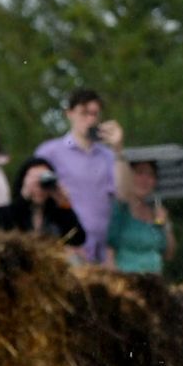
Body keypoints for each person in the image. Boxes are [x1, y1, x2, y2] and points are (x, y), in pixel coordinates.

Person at [35, 87, 126, 263]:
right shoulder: (50, 152)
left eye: (95, 114)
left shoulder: (107, 155)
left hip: (101, 251)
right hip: (67, 247)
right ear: (69, 113)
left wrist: (119, 149)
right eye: (84, 113)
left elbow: (122, 194)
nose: (90, 119)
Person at [0, 156, 87, 250]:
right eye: (34, 181)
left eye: (43, 182)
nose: (39, 187)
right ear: (22, 182)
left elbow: (78, 239)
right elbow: (2, 230)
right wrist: (23, 199)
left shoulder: (57, 215)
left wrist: (64, 205)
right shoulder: (2, 213)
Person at [104, 158, 174, 275]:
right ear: (128, 176)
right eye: (139, 173)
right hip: (126, 283)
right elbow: (108, 251)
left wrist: (165, 224)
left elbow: (169, 254)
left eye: (151, 175)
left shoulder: (155, 214)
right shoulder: (119, 210)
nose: (145, 180)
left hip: (154, 284)